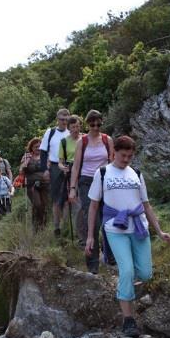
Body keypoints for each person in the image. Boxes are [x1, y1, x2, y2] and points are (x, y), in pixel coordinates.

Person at [86, 135, 170, 337]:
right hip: (114, 227)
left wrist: (159, 232)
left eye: (130, 156)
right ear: (114, 152)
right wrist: (91, 236)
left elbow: (146, 205)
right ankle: (128, 320)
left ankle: (126, 291)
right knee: (126, 271)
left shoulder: (137, 174)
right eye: (123, 155)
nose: (126, 160)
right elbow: (92, 207)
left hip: (138, 226)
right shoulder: (102, 173)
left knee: (145, 274)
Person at [69, 110, 114, 274]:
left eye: (98, 124)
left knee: (108, 220)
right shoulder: (83, 142)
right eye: (92, 124)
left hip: (104, 181)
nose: (95, 127)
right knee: (92, 222)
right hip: (86, 183)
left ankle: (110, 257)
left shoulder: (107, 140)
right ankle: (93, 264)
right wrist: (72, 188)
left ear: (101, 123)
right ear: (88, 124)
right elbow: (76, 166)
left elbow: (113, 162)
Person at [40, 108, 71, 237]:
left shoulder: (71, 133)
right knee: (56, 198)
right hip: (54, 167)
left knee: (68, 198)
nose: (64, 122)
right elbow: (43, 151)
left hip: (69, 166)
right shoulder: (50, 132)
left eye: (66, 120)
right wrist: (45, 170)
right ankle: (57, 227)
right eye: (62, 119)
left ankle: (66, 227)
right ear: (57, 119)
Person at [59, 115, 84, 244]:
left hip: (86, 172)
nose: (76, 129)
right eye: (73, 127)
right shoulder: (64, 142)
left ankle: (92, 234)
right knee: (78, 206)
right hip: (72, 174)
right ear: (68, 128)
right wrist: (63, 168)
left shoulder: (86, 139)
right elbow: (60, 162)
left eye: (78, 126)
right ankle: (81, 237)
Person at [20, 137, 49, 229]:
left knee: (44, 205)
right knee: (37, 204)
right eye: (36, 146)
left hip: (45, 183)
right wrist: (25, 163)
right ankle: (36, 226)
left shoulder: (46, 156)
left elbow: (50, 168)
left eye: (39, 146)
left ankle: (43, 225)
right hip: (32, 184)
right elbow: (21, 170)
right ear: (31, 147)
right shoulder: (27, 156)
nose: (38, 148)